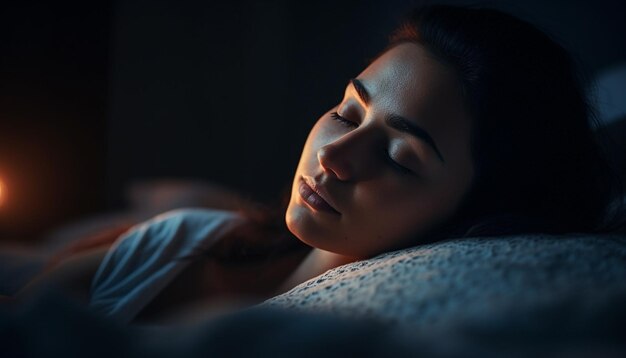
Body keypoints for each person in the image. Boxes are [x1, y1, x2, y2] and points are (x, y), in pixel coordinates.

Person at [14, 5, 623, 324]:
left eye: (398, 157)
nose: (333, 156)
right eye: (347, 111)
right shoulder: (181, 242)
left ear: (473, 210)